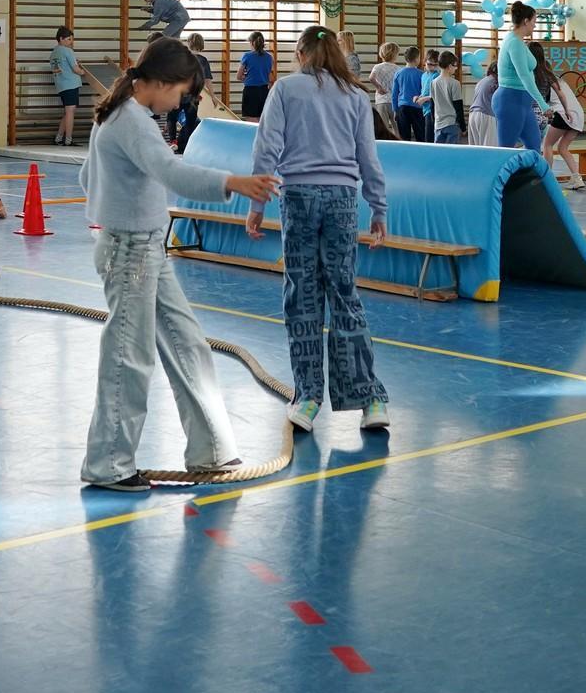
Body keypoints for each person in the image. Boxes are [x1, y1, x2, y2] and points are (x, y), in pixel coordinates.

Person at [80, 37, 277, 491]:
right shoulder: (131, 121)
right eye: (181, 92)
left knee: (187, 342)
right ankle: (108, 463)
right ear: (162, 82)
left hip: (145, 247)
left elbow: (86, 176)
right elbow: (171, 172)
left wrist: (115, 202)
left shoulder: (119, 113)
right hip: (131, 253)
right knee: (129, 357)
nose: (181, 101)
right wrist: (233, 182)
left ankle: (210, 449)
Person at [248, 25, 391, 434]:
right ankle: (370, 399)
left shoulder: (286, 90)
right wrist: (379, 206)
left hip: (299, 198)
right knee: (344, 292)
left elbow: (267, 147)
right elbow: (369, 155)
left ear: (301, 53)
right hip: (344, 199)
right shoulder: (355, 96)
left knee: (303, 295)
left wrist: (257, 203)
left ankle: (309, 397)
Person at [493, 4, 550, 150]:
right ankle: (505, 173)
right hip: (510, 100)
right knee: (506, 150)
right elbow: (525, 77)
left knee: (534, 146)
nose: (535, 25)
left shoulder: (519, 42)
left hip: (523, 102)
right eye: (534, 21)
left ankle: (527, 173)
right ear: (526, 21)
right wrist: (543, 104)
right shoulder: (514, 43)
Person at [535, 43, 586, 185]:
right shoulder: (559, 79)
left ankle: (547, 178)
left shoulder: (545, 80)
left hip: (565, 114)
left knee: (547, 144)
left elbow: (553, 100)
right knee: (563, 148)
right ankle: (577, 178)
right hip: (578, 116)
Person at [173, 33, 212, 154]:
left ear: (189, 43)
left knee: (176, 119)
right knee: (190, 123)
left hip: (180, 95)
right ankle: (186, 147)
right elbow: (207, 80)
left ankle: (176, 143)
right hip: (193, 96)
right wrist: (213, 96)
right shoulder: (203, 60)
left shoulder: (182, 58)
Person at [51, 27, 85, 146]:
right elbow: (75, 69)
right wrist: (83, 72)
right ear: (61, 39)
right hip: (70, 85)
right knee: (70, 112)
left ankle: (59, 138)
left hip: (61, 85)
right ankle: (68, 140)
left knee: (68, 112)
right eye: (68, 39)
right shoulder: (68, 51)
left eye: (71, 39)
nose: (71, 42)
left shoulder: (54, 52)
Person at [390, 46, 427, 142]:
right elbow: (424, 92)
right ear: (416, 59)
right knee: (420, 136)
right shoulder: (421, 74)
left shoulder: (399, 73)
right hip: (417, 108)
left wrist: (395, 110)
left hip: (403, 107)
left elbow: (394, 94)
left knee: (404, 137)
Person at [429, 51, 467, 144]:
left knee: (438, 154)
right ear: (450, 66)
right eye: (455, 65)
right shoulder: (455, 83)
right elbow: (458, 107)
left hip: (438, 125)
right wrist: (463, 127)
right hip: (452, 124)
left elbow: (432, 105)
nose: (456, 68)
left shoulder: (433, 82)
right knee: (451, 154)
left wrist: (434, 121)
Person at [366, 44, 401, 135]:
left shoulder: (377, 67)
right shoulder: (398, 69)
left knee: (382, 128)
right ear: (395, 55)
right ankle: (398, 145)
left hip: (381, 100)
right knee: (397, 127)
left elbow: (371, 78)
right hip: (394, 101)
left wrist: (379, 87)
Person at [238, 31, 273, 120]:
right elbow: (270, 78)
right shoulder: (269, 57)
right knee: (263, 119)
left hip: (251, 91)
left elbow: (239, 76)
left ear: (251, 43)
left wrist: (244, 78)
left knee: (251, 120)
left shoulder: (247, 56)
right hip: (264, 90)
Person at [467, 63, 499, 146]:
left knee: (476, 149)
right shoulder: (496, 81)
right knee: (489, 149)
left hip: (472, 115)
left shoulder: (483, 80)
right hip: (486, 114)